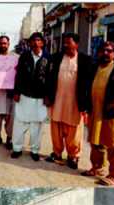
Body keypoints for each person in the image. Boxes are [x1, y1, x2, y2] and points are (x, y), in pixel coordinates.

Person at [45, 32, 91, 170]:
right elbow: (49, 78)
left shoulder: (85, 60)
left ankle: (73, 156)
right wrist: (48, 95)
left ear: (76, 44)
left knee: (74, 131)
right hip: (57, 101)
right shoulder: (56, 58)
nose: (65, 45)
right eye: (64, 43)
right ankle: (57, 153)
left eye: (68, 42)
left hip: (75, 103)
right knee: (56, 128)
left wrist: (86, 105)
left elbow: (88, 83)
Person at [84, 41, 114, 186]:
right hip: (95, 111)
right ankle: (97, 168)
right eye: (103, 50)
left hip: (110, 113)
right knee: (95, 141)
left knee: (111, 143)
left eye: (109, 51)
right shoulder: (94, 67)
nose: (106, 53)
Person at [12, 32, 49, 161]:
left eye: (38, 40)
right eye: (33, 40)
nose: (35, 43)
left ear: (43, 43)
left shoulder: (48, 58)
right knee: (20, 123)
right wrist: (16, 92)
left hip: (39, 97)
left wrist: (47, 95)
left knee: (37, 125)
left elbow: (50, 79)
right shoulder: (24, 56)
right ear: (30, 43)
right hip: (24, 95)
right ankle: (17, 148)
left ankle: (35, 150)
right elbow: (19, 75)